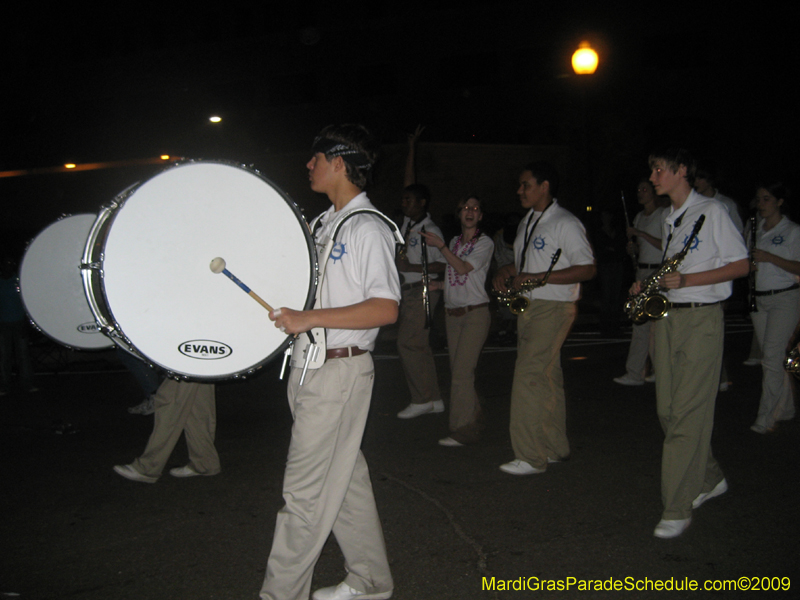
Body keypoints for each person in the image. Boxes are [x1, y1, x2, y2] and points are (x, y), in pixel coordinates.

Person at [260, 124, 397, 600]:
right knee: (345, 481)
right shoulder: (321, 225)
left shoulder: (369, 228)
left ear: (340, 163)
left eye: (315, 158)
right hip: (309, 368)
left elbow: (386, 307)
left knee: (304, 495)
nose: (308, 165)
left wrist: (309, 318)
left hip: (339, 371)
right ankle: (370, 580)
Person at [635, 148, 748, 539]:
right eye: (652, 170)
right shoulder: (671, 219)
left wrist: (687, 282)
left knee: (686, 416)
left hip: (702, 319)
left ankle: (677, 507)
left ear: (682, 171)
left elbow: (741, 264)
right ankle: (709, 477)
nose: (653, 177)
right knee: (668, 411)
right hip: (670, 318)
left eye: (659, 169)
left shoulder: (712, 212)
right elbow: (677, 270)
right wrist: (647, 286)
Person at [492, 161, 596, 475]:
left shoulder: (565, 222)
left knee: (528, 376)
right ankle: (553, 448)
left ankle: (530, 456)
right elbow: (526, 266)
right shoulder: (529, 221)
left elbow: (588, 268)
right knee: (548, 377)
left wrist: (536, 276)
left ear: (545, 185)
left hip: (553, 307)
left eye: (526, 185)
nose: (519, 190)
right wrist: (507, 271)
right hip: (533, 307)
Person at [422, 195, 494, 446]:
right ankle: (475, 412)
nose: (470, 211)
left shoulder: (484, 243)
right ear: (459, 214)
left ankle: (462, 429)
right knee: (460, 372)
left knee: (462, 374)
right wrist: (439, 284)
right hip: (453, 315)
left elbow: (463, 268)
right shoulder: (454, 242)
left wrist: (441, 248)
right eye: (465, 208)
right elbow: (456, 277)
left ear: (481, 216)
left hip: (475, 314)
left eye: (475, 208)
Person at [395, 126, 447, 419]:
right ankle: (434, 398)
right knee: (420, 346)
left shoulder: (429, 229)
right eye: (404, 200)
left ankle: (421, 399)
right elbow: (409, 183)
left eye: (409, 200)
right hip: (411, 293)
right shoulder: (408, 225)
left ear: (422, 203)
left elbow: (444, 264)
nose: (404, 203)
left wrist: (411, 268)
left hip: (422, 292)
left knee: (407, 343)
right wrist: (411, 149)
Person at [749, 180, 799, 433]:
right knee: (773, 358)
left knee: (770, 357)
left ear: (780, 201)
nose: (761, 204)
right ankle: (787, 407)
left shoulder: (792, 231)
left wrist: (770, 258)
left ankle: (766, 416)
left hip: (785, 298)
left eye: (767, 198)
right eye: (759, 199)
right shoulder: (755, 229)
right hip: (760, 298)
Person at [113, 378, 220, 482]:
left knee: (171, 398)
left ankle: (149, 466)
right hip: (201, 359)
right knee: (198, 400)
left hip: (192, 360)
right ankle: (204, 461)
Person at [614, 179, 666, 385]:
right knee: (639, 321)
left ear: (654, 192)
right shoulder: (638, 217)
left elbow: (666, 246)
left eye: (644, 189)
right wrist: (633, 248)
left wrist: (641, 234)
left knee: (657, 327)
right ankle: (635, 372)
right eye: (638, 189)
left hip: (657, 272)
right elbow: (641, 247)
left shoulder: (663, 214)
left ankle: (659, 370)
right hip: (641, 272)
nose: (640, 193)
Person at [0, 256, 36, 395]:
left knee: (23, 355)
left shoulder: (18, 281)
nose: (7, 267)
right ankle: (4, 385)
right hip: (3, 324)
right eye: (4, 264)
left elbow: (26, 302)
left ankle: (27, 384)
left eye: (9, 264)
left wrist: (26, 323)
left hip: (19, 322)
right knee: (4, 356)